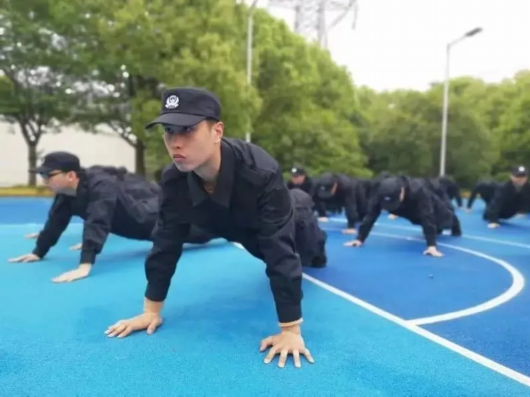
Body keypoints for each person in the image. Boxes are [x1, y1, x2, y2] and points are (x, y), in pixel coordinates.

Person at [104, 87, 314, 368]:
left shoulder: (260, 171)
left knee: (309, 256)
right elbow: (166, 241)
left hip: (290, 219)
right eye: (168, 130)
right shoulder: (174, 180)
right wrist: (150, 310)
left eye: (187, 130)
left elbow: (280, 249)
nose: (175, 142)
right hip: (230, 224)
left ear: (217, 132)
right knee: (261, 253)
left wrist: (290, 331)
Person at [8, 151, 214, 282]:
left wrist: (85, 265)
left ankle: (225, 224)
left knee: (201, 232)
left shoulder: (100, 184)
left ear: (70, 175)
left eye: (48, 176)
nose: (44, 181)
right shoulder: (66, 194)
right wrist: (39, 252)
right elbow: (56, 221)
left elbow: (98, 219)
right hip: (131, 225)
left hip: (147, 221)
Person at [345, 176, 462, 257]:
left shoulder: (419, 191)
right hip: (408, 211)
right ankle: (436, 229)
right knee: (418, 221)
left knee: (444, 220)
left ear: (402, 191)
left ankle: (455, 225)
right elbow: (371, 215)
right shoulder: (381, 192)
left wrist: (431, 246)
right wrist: (359, 238)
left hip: (431, 207)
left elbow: (428, 216)